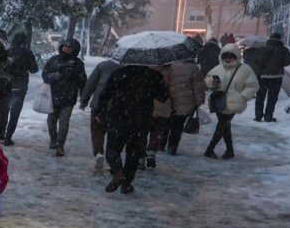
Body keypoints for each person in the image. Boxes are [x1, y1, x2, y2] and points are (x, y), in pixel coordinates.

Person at [97, 64, 168, 194]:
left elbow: (106, 94)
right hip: (141, 119)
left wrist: (100, 112)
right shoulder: (153, 76)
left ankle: (118, 172)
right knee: (134, 153)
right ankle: (127, 184)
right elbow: (163, 97)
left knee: (112, 149)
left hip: (119, 116)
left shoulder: (119, 73)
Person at [203, 42, 260, 159]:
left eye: (231, 56)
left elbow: (253, 85)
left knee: (222, 125)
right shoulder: (217, 69)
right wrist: (212, 83)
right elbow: (208, 80)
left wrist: (242, 97)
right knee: (224, 126)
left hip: (234, 103)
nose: (228, 59)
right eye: (225, 56)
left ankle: (210, 149)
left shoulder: (245, 69)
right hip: (219, 101)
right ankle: (230, 150)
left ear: (236, 56)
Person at [41, 38, 88, 157]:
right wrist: (53, 76)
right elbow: (44, 74)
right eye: (64, 46)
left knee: (64, 123)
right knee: (51, 121)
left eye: (69, 47)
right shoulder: (54, 60)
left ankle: (60, 145)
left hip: (69, 98)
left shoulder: (78, 64)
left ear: (74, 49)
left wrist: (83, 98)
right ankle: (53, 139)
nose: (66, 48)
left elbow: (83, 81)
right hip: (53, 97)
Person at [80, 56, 121, 171]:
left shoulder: (103, 66)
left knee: (97, 130)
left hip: (98, 104)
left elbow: (91, 84)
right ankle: (110, 160)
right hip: (119, 107)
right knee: (114, 134)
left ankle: (98, 152)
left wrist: (84, 100)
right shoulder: (128, 69)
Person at [160, 57, 205, 156]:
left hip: (169, 100)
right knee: (178, 125)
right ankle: (173, 146)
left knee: (165, 123)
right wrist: (199, 101)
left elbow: (163, 82)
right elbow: (198, 87)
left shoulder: (169, 66)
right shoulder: (194, 68)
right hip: (186, 101)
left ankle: (161, 144)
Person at [3, 31, 40, 144]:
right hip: (20, 86)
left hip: (5, 85)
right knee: (15, 113)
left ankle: (0, 135)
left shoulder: (6, 51)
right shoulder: (27, 52)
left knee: (3, 111)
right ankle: (8, 137)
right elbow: (34, 69)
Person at [253, 30, 290, 122]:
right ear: (279, 39)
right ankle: (268, 116)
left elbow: (256, 61)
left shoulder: (263, 49)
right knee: (272, 98)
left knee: (260, 97)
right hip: (276, 77)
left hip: (262, 77)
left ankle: (258, 116)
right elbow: (289, 62)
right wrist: (279, 63)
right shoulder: (283, 50)